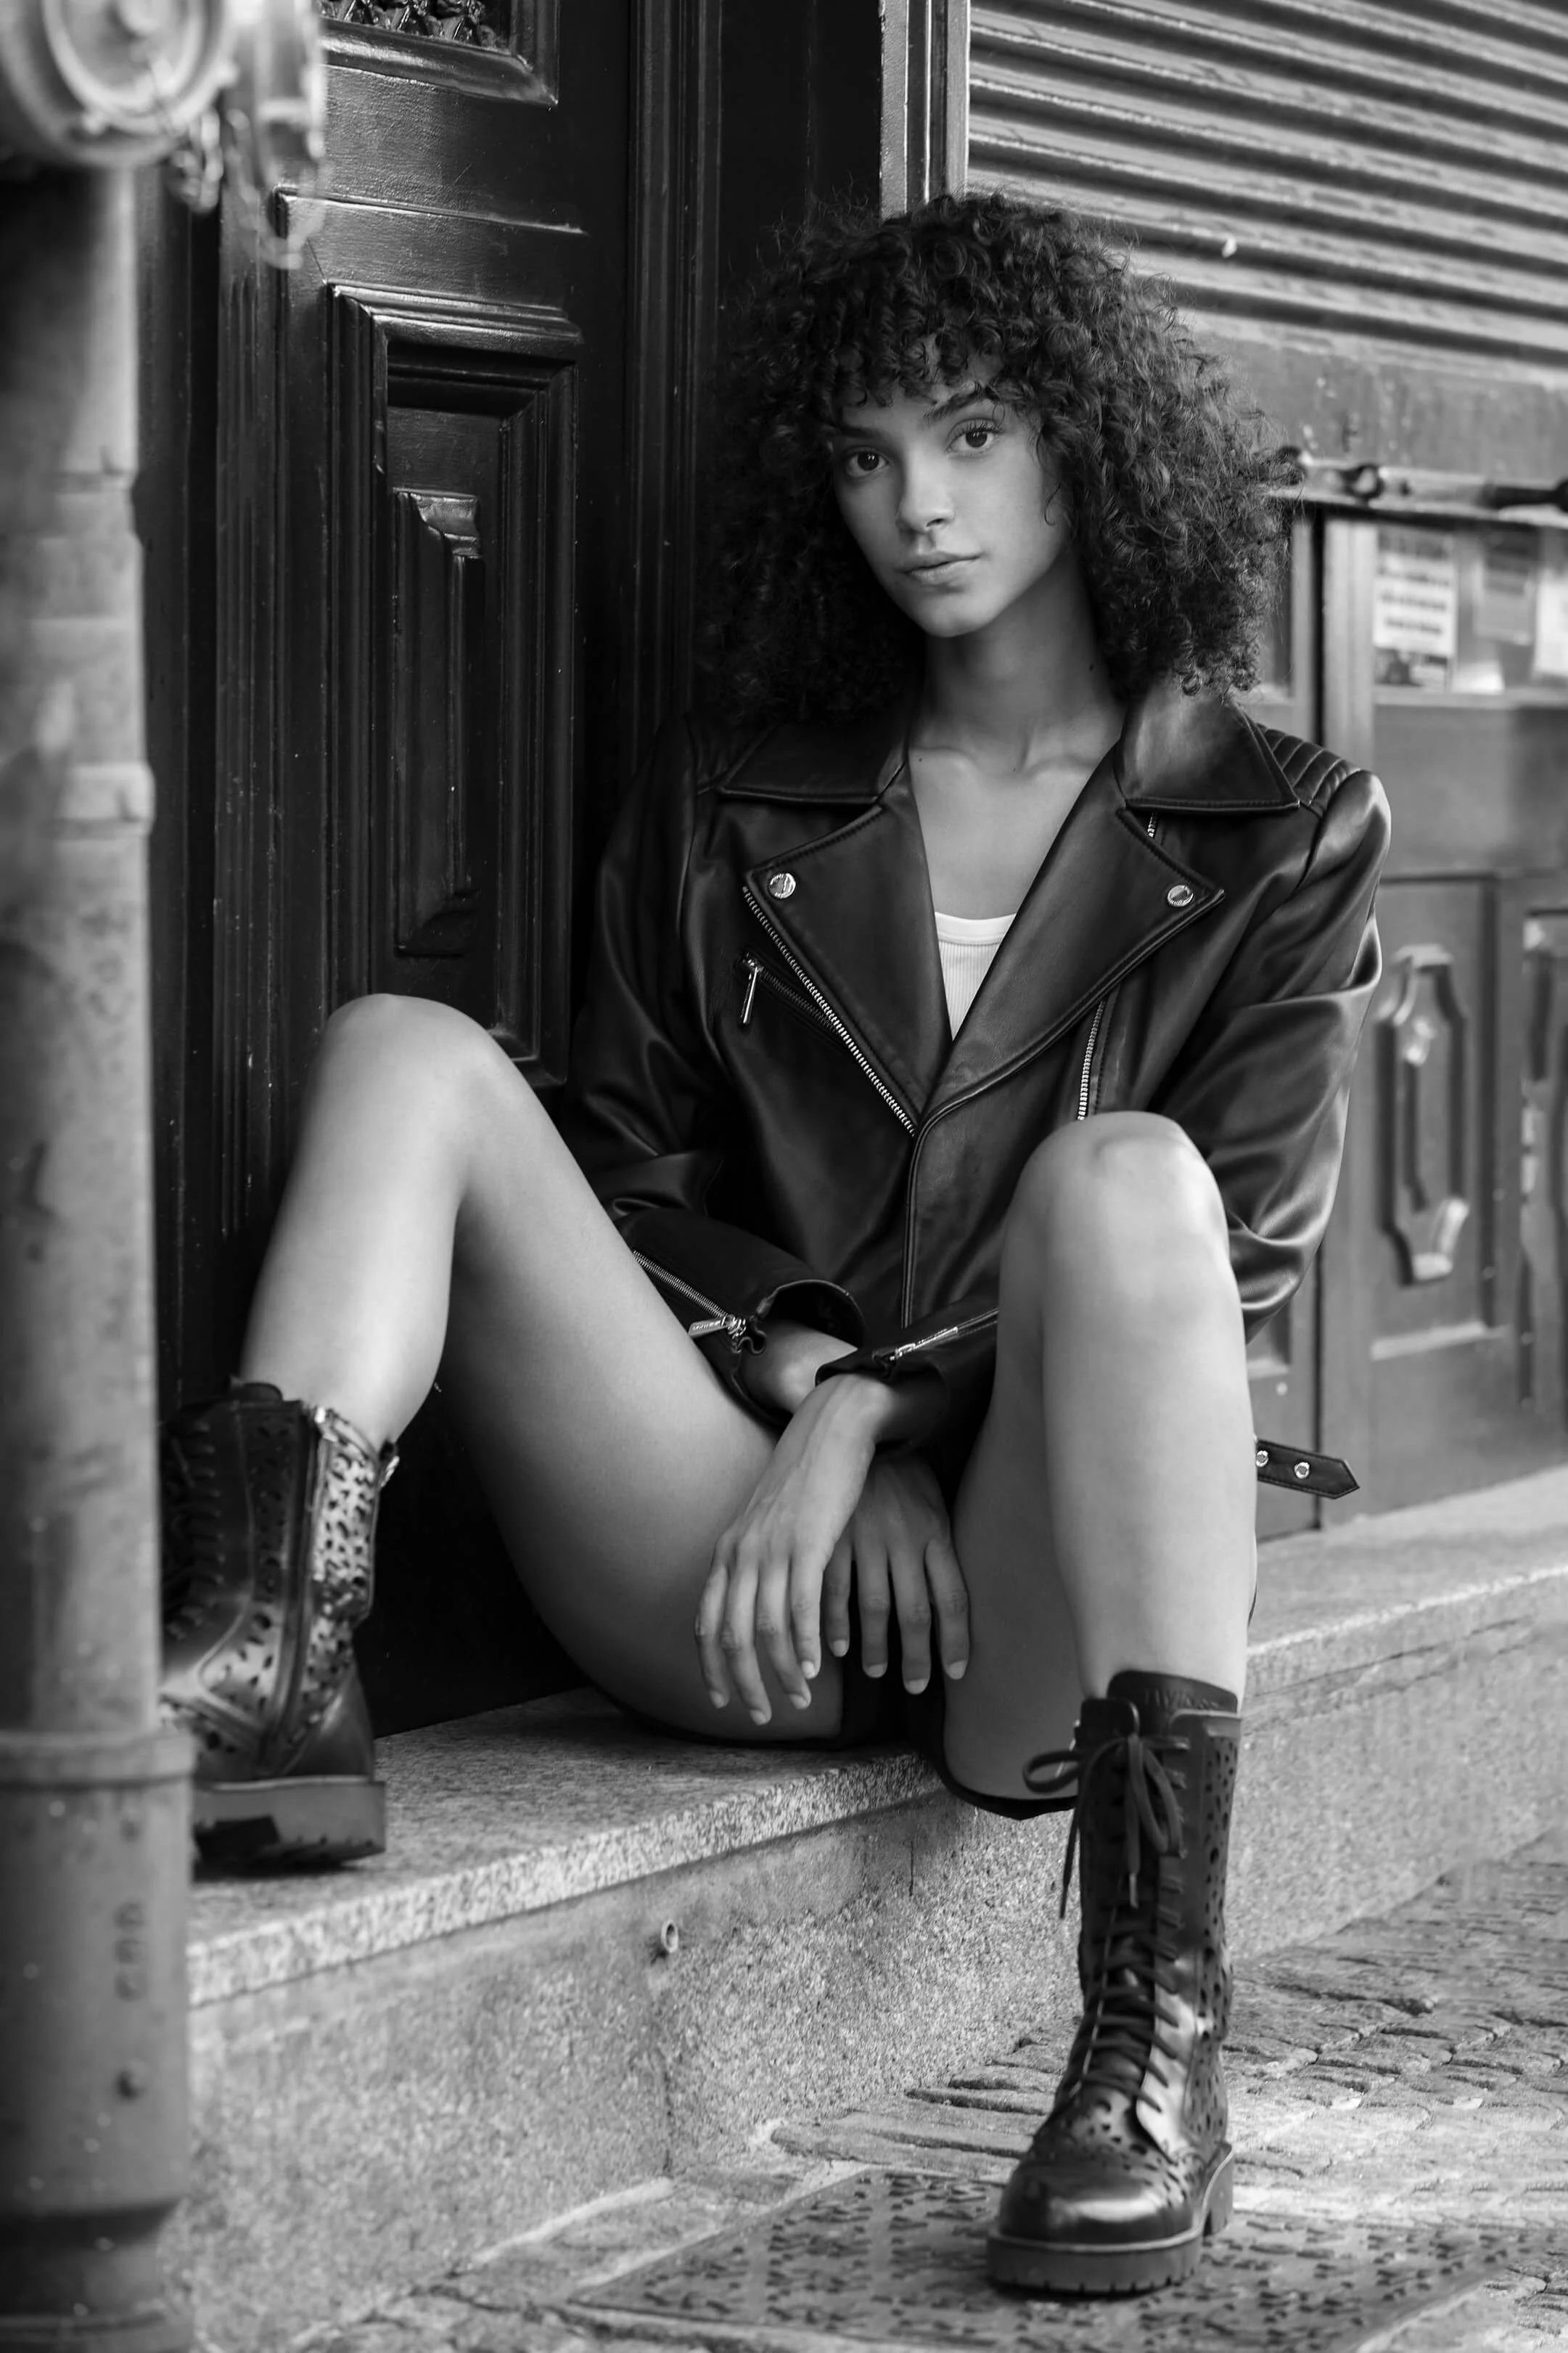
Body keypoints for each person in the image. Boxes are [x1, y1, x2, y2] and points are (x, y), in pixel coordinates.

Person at [159, 193, 1389, 2296]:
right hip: (729, 1564)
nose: (921, 505)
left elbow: (1234, 1259)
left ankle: (1155, 2048)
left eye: (979, 432)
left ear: (1090, 439)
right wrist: (812, 1393)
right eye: (866, 453)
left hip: (1036, 1619)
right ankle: (271, 1657)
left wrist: (891, 1429)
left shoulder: (1282, 824)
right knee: (406, 1052)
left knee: (1128, 1185)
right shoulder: (747, 798)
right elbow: (626, 1167)